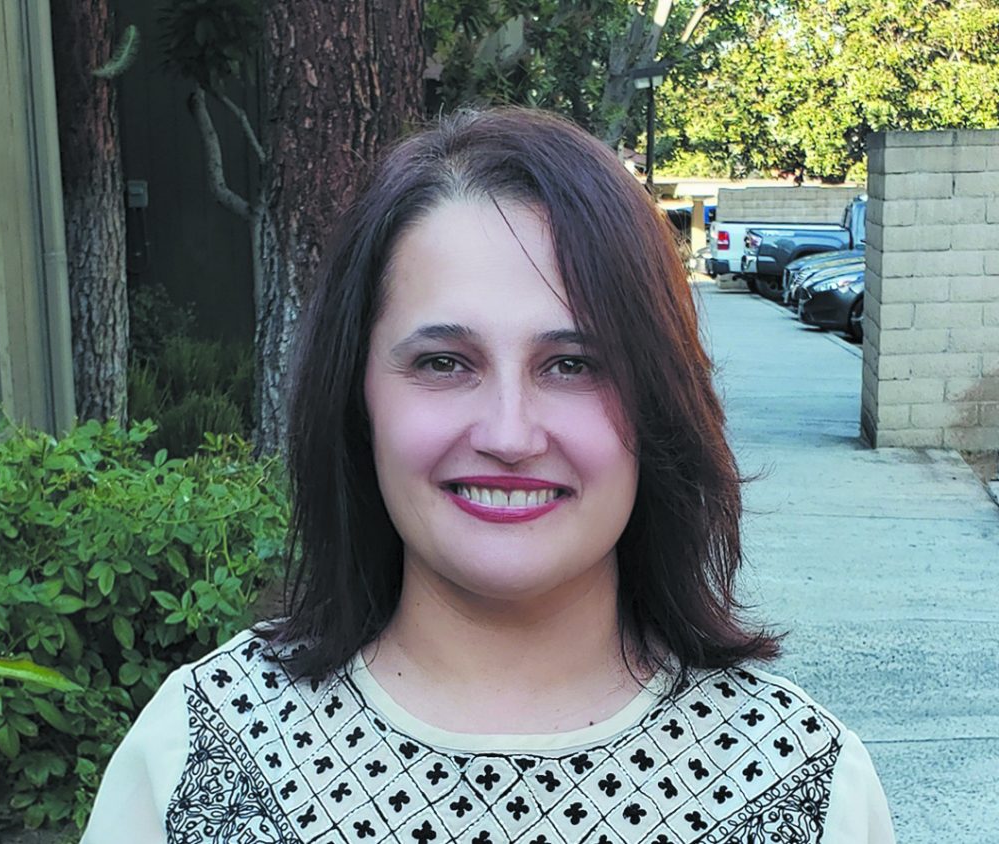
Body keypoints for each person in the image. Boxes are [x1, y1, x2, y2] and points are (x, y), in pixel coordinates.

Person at [82, 108, 894, 844]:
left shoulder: (804, 788)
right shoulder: (197, 753)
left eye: (573, 364)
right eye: (444, 362)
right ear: (356, 395)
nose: (509, 433)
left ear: (661, 401)